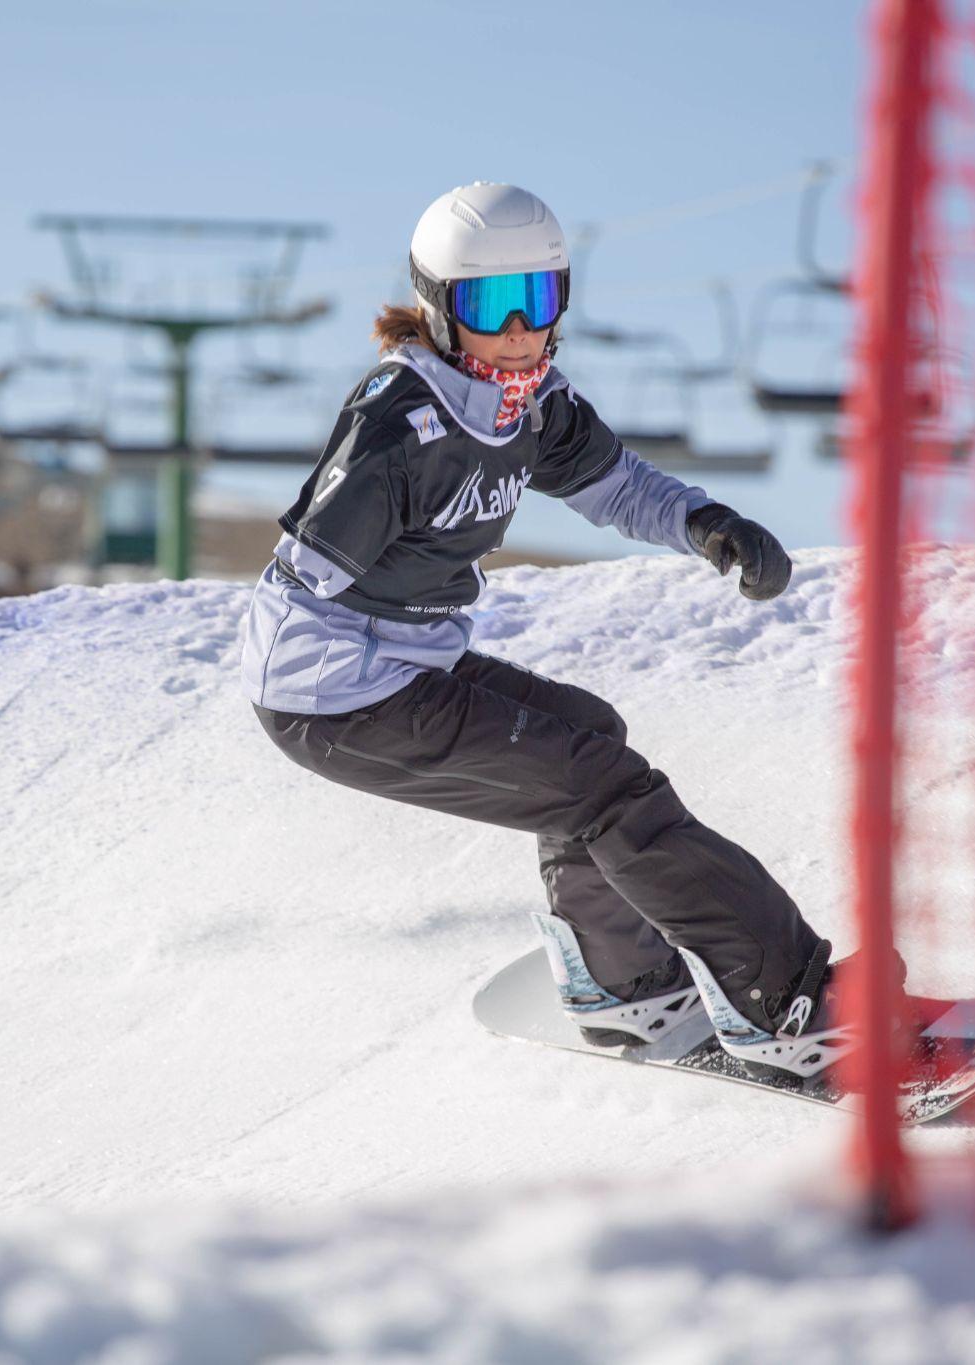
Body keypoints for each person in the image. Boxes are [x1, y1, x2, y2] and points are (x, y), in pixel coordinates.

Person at [240, 183, 883, 1082]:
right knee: (605, 788)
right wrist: (375, 539)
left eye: (534, 303)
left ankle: (625, 986)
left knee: (589, 735)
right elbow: (309, 571)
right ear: (438, 308)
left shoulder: (529, 402)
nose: (515, 330)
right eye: (489, 306)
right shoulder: (402, 418)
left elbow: (614, 483)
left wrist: (709, 525)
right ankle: (789, 1001)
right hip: (335, 692)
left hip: (401, 667)